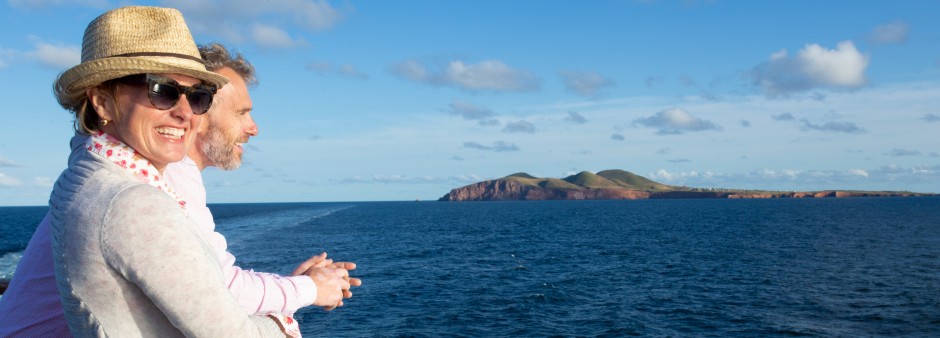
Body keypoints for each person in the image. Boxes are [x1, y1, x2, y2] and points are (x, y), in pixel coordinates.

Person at [8, 6, 348, 336]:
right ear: (102, 102)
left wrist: (295, 289)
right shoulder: (133, 201)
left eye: (198, 97)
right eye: (163, 91)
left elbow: (202, 293)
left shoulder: (92, 174)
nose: (185, 113)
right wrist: (297, 304)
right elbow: (229, 323)